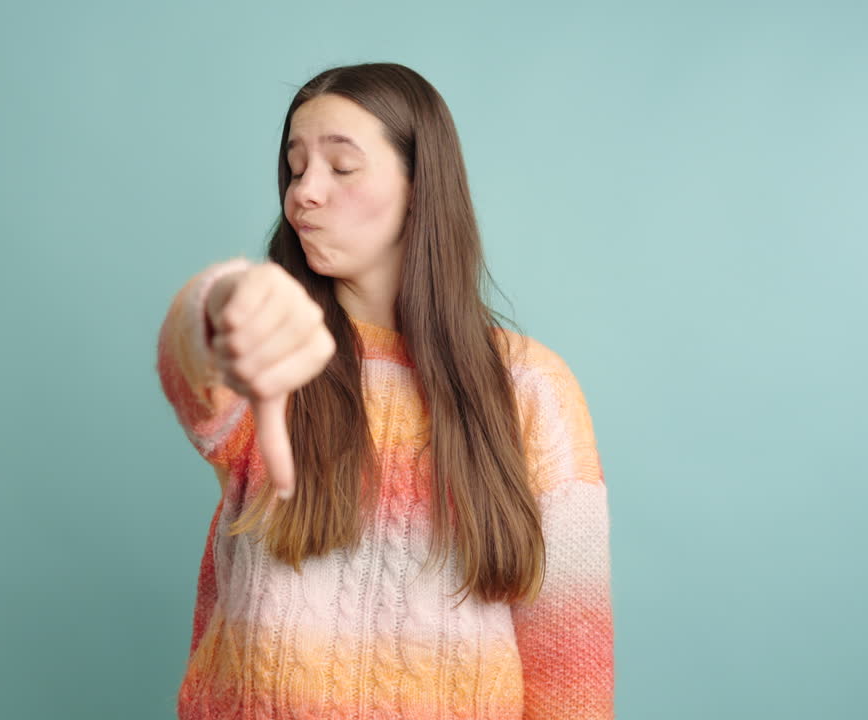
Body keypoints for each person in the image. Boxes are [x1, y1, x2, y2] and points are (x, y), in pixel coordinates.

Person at [157, 62, 613, 720]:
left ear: (419, 185)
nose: (303, 193)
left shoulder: (532, 389)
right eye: (294, 167)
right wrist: (229, 300)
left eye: (341, 168)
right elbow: (191, 362)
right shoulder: (278, 357)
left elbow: (571, 672)